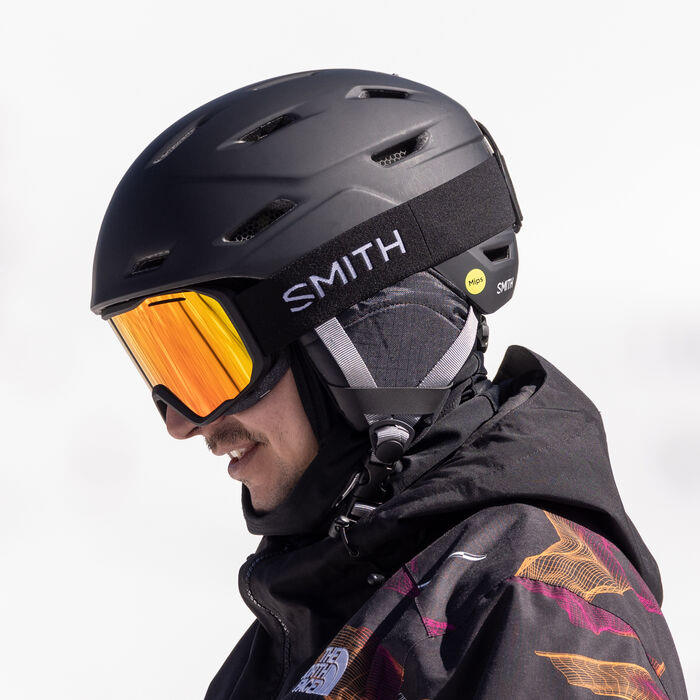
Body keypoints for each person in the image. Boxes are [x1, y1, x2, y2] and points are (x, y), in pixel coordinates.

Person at [91, 69, 687, 699]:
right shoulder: (304, 629)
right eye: (165, 361)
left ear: (370, 331)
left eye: (209, 356)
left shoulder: (534, 605)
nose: (183, 422)